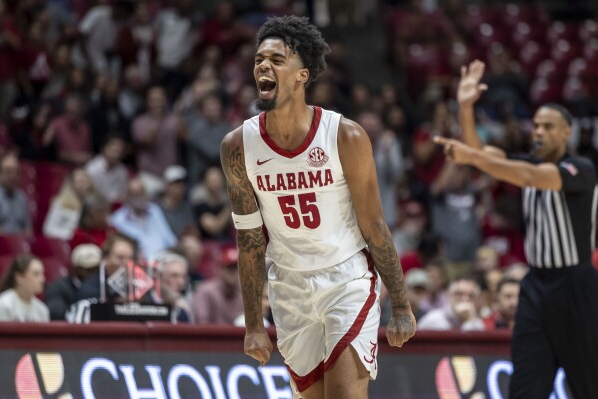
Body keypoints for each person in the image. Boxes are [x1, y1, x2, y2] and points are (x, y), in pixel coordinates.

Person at [219, 16, 415, 398]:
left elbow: (375, 226)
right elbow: (249, 240)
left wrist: (402, 306)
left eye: (277, 59)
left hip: (346, 280)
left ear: (301, 74)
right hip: (289, 287)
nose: (263, 66)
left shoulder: (345, 136)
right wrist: (254, 324)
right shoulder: (237, 147)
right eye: (259, 59)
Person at [435, 60, 598, 398]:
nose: (538, 132)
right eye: (536, 125)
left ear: (567, 132)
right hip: (536, 286)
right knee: (525, 387)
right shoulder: (525, 163)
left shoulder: (579, 169)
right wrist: (465, 107)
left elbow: (525, 176)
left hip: (576, 286)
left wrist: (473, 158)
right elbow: (479, 153)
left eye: (548, 126)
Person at [44, 243, 101, 320]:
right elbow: (55, 311)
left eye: (96, 269)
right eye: (87, 269)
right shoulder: (58, 288)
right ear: (75, 268)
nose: (92, 274)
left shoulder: (103, 287)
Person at [192, 245, 243, 325]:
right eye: (230, 267)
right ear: (221, 269)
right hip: (210, 336)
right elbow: (201, 323)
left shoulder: (242, 295)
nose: (233, 272)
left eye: (237, 268)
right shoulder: (205, 291)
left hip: (236, 337)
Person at [417, 277, 485, 331]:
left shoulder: (478, 324)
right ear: (449, 296)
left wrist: (469, 321)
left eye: (471, 296)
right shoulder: (434, 320)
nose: (465, 299)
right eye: (459, 294)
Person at [0, 254, 49, 322]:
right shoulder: (4, 305)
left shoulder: (42, 310)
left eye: (42, 273)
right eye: (36, 274)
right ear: (19, 278)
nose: (42, 279)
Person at [0, 152, 31, 235]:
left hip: (19, 244)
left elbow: (28, 230)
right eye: (8, 171)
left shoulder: (22, 198)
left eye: (15, 172)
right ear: (0, 174)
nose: (12, 176)